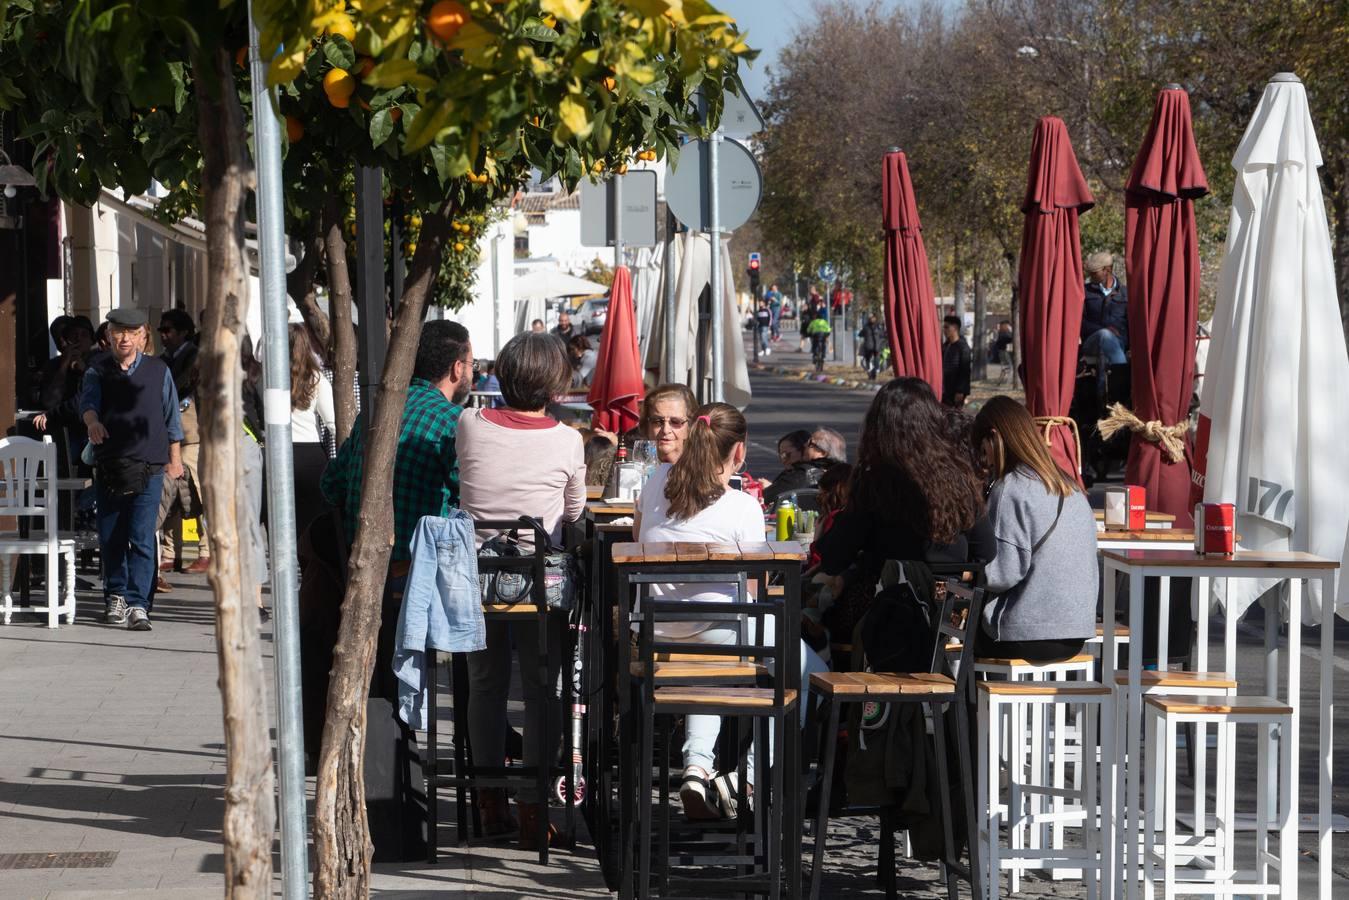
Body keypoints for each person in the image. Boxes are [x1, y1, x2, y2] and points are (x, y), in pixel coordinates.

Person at [634, 403, 826, 819]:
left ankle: (696, 768)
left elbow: (638, 540)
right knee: (810, 674)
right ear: (738, 452)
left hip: (657, 633)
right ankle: (746, 779)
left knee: (710, 667)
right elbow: (755, 588)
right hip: (721, 631)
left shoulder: (656, 483)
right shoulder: (742, 507)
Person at [457, 331, 586, 847]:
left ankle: (490, 805)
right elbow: (574, 514)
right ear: (555, 384)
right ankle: (534, 810)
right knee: (540, 691)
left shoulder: (469, 423)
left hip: (476, 581)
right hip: (539, 588)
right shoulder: (567, 440)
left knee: (484, 687)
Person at [815, 378, 993, 636]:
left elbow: (834, 558)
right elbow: (986, 550)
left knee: (817, 617)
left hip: (888, 613)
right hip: (953, 617)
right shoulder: (960, 477)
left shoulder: (875, 481)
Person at [321, 320, 473, 561]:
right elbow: (470, 495)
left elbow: (331, 485)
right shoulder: (455, 421)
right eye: (471, 364)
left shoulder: (373, 413)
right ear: (457, 368)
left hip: (360, 566)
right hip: (424, 572)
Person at [80, 308, 185, 631]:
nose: (124, 337)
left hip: (151, 464)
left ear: (143, 336)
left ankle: (139, 603)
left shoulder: (158, 370)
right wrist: (93, 422)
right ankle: (116, 595)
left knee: (142, 536)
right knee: (111, 535)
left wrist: (175, 457)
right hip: (110, 463)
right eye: (118, 331)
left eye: (131, 331)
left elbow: (171, 416)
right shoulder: (97, 370)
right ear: (110, 335)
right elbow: (88, 405)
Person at [971, 396, 1097, 662]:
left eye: (984, 451)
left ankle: (972, 704)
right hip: (1076, 630)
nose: (987, 462)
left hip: (1028, 633)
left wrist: (970, 571)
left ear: (994, 437)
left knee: (958, 638)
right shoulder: (1069, 485)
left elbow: (1002, 575)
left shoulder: (1012, 487)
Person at [287, 324, 337, 538]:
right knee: (309, 526)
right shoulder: (316, 379)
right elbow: (333, 423)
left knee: (282, 525)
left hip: (277, 453)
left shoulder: (266, 378)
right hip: (310, 456)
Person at [1081, 250, 1129, 390]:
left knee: (1109, 345)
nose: (1090, 276)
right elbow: (1079, 323)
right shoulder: (1084, 292)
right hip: (1092, 341)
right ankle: (1121, 393)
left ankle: (1109, 398)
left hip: (1120, 344)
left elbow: (1133, 324)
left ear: (1107, 270)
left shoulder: (1126, 293)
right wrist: (1103, 330)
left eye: (1094, 272)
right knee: (1105, 336)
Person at [763, 427, 840, 505]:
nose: (783, 459)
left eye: (787, 454)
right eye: (781, 455)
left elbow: (767, 497)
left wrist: (767, 488)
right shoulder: (837, 471)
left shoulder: (802, 474)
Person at [639, 383, 698, 464]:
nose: (666, 430)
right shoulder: (636, 469)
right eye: (658, 421)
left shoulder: (705, 471)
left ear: (691, 425)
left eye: (675, 422)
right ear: (646, 425)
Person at [941, 314, 971, 408]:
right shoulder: (945, 346)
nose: (944, 330)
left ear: (955, 328)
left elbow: (965, 370)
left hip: (956, 390)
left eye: (947, 327)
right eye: (944, 327)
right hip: (945, 389)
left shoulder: (963, 347)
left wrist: (960, 391)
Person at [857, 313, 885, 380]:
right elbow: (883, 335)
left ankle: (871, 372)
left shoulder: (866, 327)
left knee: (868, 360)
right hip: (876, 347)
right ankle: (875, 371)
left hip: (869, 347)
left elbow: (860, 334)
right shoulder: (878, 327)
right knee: (876, 360)